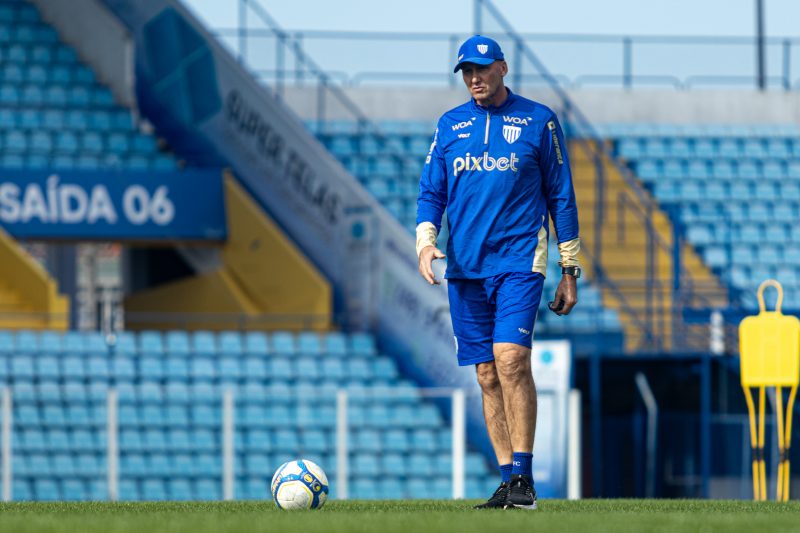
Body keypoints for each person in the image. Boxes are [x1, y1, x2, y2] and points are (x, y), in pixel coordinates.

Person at [415, 35, 581, 510]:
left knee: (510, 359)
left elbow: (561, 197)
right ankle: (508, 480)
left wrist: (570, 269)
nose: (475, 78)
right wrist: (426, 243)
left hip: (518, 261)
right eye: (467, 71)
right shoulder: (450, 126)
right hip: (465, 267)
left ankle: (526, 480)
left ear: (503, 68)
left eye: (483, 69)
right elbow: (432, 192)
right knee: (486, 374)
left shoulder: (538, 120)